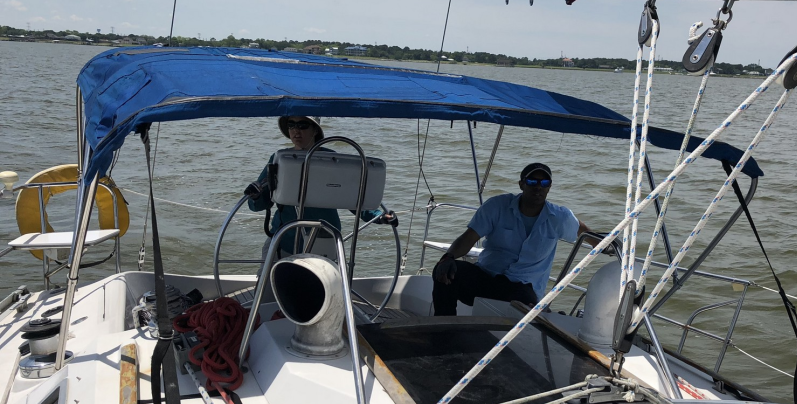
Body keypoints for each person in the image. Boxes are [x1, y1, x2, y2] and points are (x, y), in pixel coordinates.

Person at [432, 162, 605, 316]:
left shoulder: (559, 217)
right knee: (445, 270)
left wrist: (606, 245)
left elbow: (582, 231)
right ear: (521, 184)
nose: (538, 187)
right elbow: (469, 238)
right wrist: (448, 257)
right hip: (486, 277)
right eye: (531, 182)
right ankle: (444, 329)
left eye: (544, 183)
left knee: (526, 306)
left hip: (522, 288)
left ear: (549, 187)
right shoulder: (497, 206)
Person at [245, 116, 395, 258]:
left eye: (302, 125)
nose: (296, 130)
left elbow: (351, 197)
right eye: (291, 125)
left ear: (315, 129)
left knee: (322, 285)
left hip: (325, 238)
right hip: (283, 240)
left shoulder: (332, 159)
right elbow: (259, 203)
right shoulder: (278, 158)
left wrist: (379, 216)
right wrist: (255, 195)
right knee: (268, 284)